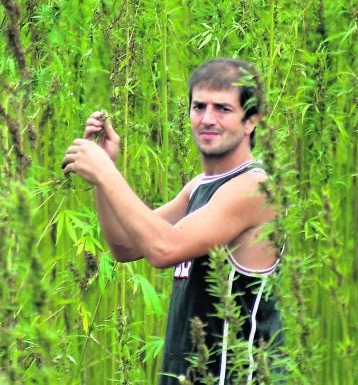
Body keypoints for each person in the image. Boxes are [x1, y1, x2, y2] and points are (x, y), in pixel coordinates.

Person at [62, 58, 283, 385]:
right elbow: (125, 245)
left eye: (222, 109)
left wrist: (107, 175)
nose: (207, 119)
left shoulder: (255, 189)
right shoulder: (199, 187)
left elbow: (164, 249)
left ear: (251, 121)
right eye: (198, 107)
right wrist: (104, 173)